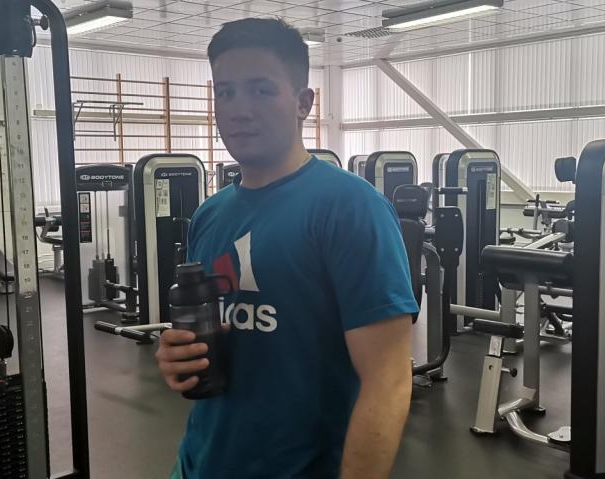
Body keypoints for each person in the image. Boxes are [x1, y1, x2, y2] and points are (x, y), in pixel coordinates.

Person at [155, 18, 418, 479]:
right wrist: (177, 356)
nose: (239, 110)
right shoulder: (209, 215)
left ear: (303, 103)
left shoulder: (352, 208)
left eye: (261, 90)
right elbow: (230, 337)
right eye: (225, 93)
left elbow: (388, 382)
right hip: (199, 464)